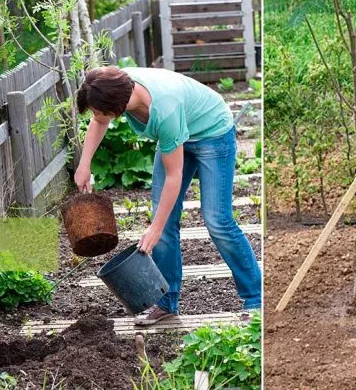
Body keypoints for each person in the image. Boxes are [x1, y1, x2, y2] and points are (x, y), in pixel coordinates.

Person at [74, 66, 262, 324]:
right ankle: (166, 302)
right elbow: (99, 120)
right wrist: (84, 165)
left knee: (217, 220)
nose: (98, 116)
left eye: (100, 110)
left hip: (212, 133)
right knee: (162, 223)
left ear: (117, 106)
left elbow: (174, 177)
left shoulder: (165, 110)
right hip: (174, 136)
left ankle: (255, 300)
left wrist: (155, 229)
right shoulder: (111, 83)